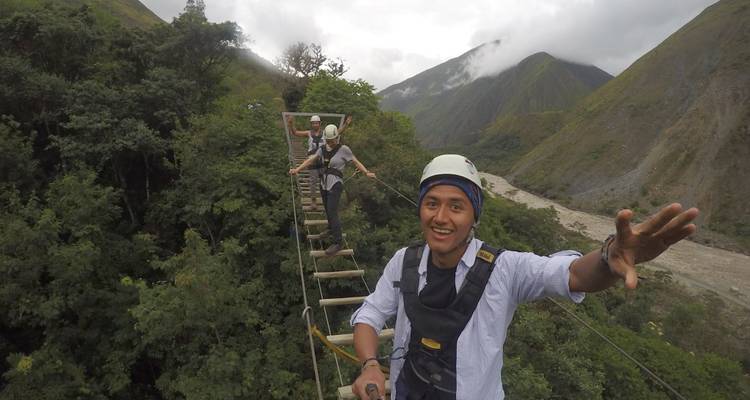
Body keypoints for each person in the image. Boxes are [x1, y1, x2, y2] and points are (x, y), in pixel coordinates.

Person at [349, 154, 699, 400]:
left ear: (474, 217)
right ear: (421, 208)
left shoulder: (503, 269)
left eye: (456, 206)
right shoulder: (404, 262)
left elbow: (571, 275)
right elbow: (371, 314)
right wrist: (369, 365)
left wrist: (609, 258)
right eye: (432, 203)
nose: (441, 217)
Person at [289, 124, 376, 255]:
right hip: (323, 183)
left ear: (337, 137)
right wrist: (297, 169)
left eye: (333, 140)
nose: (331, 142)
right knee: (326, 208)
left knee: (332, 211)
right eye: (329, 140)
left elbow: (355, 161)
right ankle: (330, 228)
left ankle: (338, 242)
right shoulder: (322, 149)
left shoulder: (344, 149)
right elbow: (311, 160)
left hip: (335, 184)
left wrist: (367, 172)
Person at [287, 115, 353, 207]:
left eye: (316, 123)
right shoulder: (309, 133)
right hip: (313, 160)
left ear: (320, 123)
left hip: (323, 159)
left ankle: (327, 197)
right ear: (311, 124)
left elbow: (337, 132)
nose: (315, 125)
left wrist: (346, 124)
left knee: (325, 179)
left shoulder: (325, 133)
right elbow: (295, 133)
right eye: (313, 123)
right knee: (313, 181)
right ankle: (313, 200)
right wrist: (291, 124)